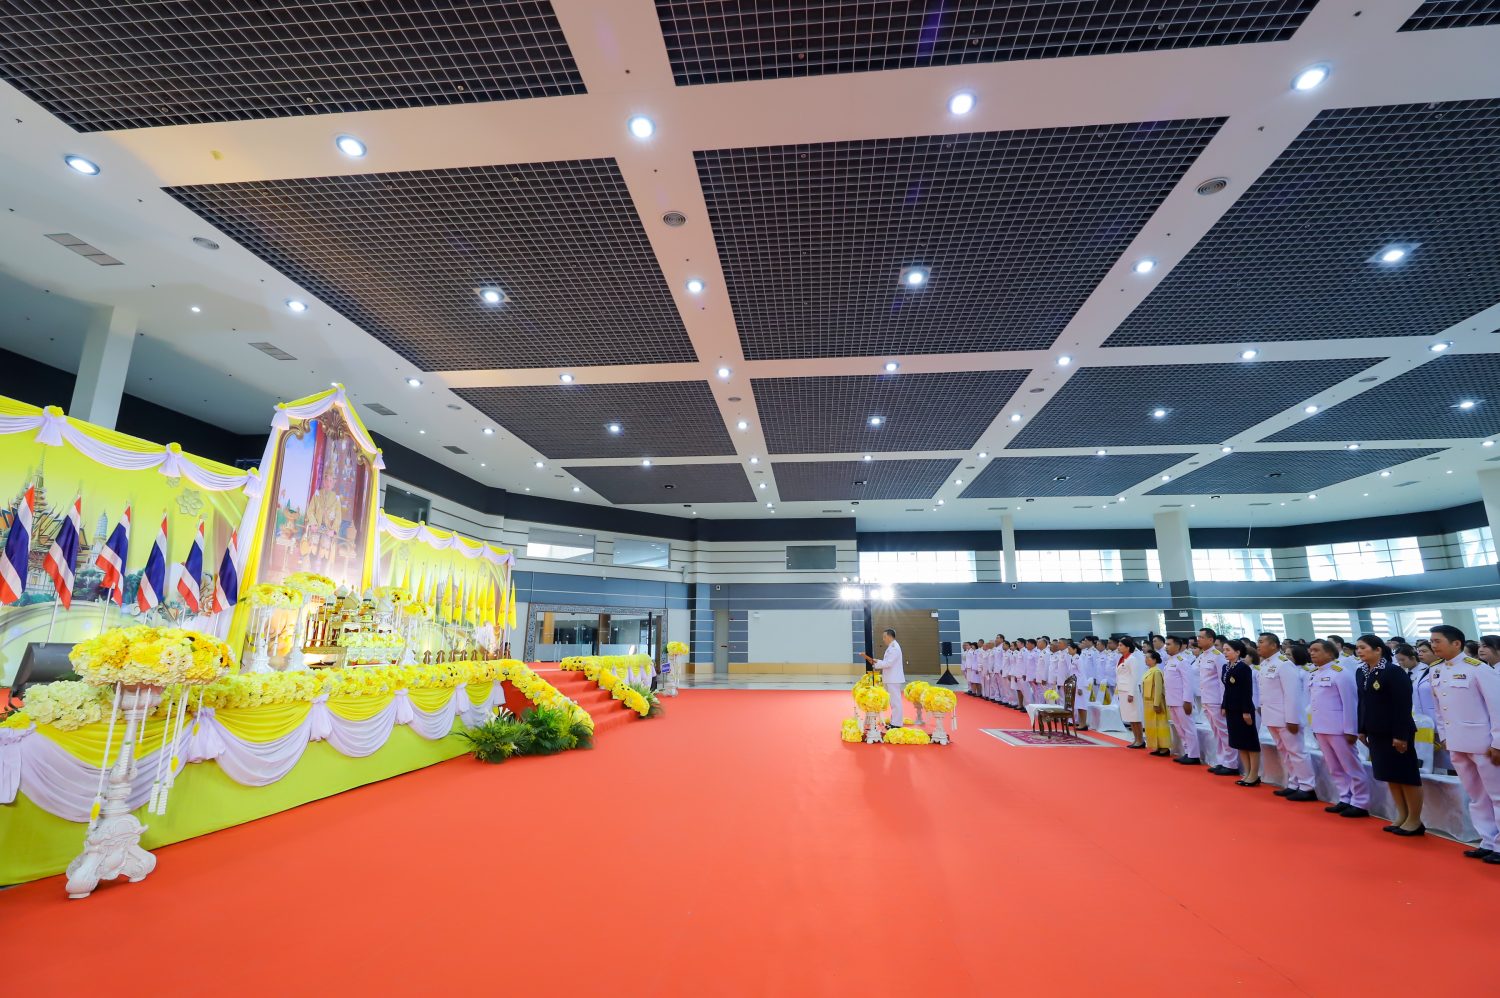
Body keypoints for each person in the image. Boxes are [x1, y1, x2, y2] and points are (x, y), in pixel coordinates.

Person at [1428, 624, 1500, 865]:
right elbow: (1440, 709)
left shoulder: (1477, 669)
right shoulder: (1436, 670)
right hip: (1457, 742)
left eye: (1437, 641)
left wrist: (1498, 742)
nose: (1433, 645)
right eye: (1432, 641)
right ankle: (1487, 841)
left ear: (1456, 643)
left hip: (1483, 743)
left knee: (1497, 795)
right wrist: (1445, 736)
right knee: (1476, 796)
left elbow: (1497, 708)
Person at [1354, 634, 1424, 835]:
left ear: (1378, 650)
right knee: (1390, 775)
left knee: (1406, 775)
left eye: (1363, 647)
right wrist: (1362, 728)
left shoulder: (1393, 672)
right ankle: (1402, 815)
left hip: (1396, 731)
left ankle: (1415, 820)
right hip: (1376, 731)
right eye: (1358, 648)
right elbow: (1362, 702)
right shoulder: (1361, 671)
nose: (1359, 651)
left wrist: (1400, 735)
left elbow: (1403, 706)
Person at [1308, 639, 1371, 818]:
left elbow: (1350, 703)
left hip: (1339, 728)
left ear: (1329, 653)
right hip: (1322, 727)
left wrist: (1351, 729)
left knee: (1351, 767)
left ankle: (1360, 802)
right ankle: (1345, 798)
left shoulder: (1341, 673)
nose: (1312, 653)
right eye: (1310, 650)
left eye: (1316, 650)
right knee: (1334, 767)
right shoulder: (1314, 673)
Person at [1259, 635, 1318, 802]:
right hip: (1272, 716)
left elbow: (1292, 695)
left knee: (1297, 752)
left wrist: (1292, 719)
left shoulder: (1284, 664)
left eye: (1261, 642)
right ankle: (1294, 783)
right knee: (1285, 752)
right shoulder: (1265, 664)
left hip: (1285, 718)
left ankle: (1307, 787)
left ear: (1273, 645)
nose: (1258, 645)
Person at [1195, 628, 1236, 776]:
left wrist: (1224, 703)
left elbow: (1222, 681)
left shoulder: (1218, 656)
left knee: (1224, 731)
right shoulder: (1202, 656)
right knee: (1216, 732)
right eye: (1198, 637)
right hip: (1207, 699)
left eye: (1201, 637)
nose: (1198, 639)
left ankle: (1231, 764)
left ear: (1211, 639)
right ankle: (1222, 761)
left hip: (1216, 700)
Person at [1222, 638, 1261, 785]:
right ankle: (1247, 772)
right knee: (1239, 742)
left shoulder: (1244, 668)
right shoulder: (1226, 667)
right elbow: (1226, 689)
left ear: (1238, 652)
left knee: (1249, 741)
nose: (1225, 652)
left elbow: (1246, 691)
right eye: (1224, 650)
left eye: (1228, 650)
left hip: (1243, 709)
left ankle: (1254, 774)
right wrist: (1224, 705)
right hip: (1231, 708)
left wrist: (1246, 711)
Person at [1163, 635, 1200, 764]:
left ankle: (1194, 755)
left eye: (1169, 644)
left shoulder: (1182, 661)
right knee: (1179, 728)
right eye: (1166, 644)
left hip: (1181, 701)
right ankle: (1187, 752)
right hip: (1172, 700)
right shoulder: (1169, 661)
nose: (1166, 647)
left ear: (1178, 646)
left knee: (1188, 728)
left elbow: (1188, 683)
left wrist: (1187, 701)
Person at [862, 628, 905, 728]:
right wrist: (877, 661)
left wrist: (876, 663)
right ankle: (894, 722)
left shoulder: (894, 648)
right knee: (893, 702)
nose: (883, 639)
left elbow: (888, 663)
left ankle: (897, 724)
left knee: (895, 702)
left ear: (889, 636)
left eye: (884, 637)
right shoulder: (892, 647)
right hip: (891, 678)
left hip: (893, 679)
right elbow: (887, 662)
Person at [1117, 636, 1147, 749]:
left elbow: (1134, 677)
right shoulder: (1122, 659)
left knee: (1135, 717)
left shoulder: (1132, 659)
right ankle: (1136, 739)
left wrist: (1131, 693)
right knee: (1130, 717)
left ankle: (1140, 740)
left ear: (1128, 647)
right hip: (1123, 690)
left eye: (1121, 645)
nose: (1119, 647)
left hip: (1130, 691)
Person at [1141, 649, 1171, 755]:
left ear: (1154, 660)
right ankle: (1157, 746)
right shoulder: (1149, 671)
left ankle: (1164, 747)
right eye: (1145, 657)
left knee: (1160, 725)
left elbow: (1158, 689)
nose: (1146, 659)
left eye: (1148, 658)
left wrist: (1156, 703)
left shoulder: (1157, 672)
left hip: (1155, 701)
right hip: (1148, 702)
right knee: (1152, 726)